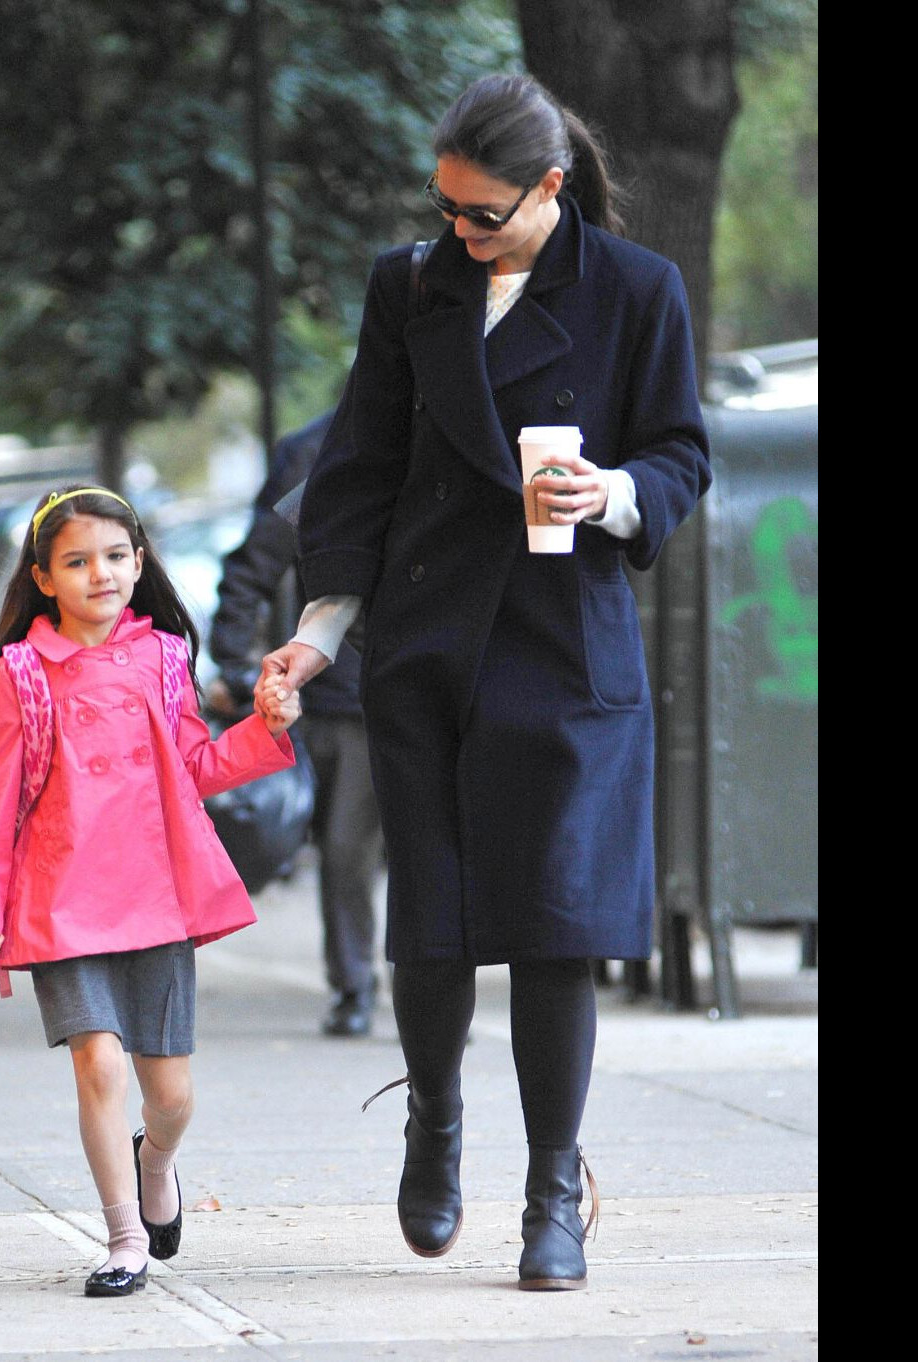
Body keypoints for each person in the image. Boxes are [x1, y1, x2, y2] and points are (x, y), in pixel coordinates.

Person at [255, 73, 711, 1291]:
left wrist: (609, 492)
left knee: (557, 930)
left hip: (566, 653)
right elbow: (361, 466)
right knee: (439, 930)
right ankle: (436, 1124)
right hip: (429, 654)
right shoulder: (411, 285)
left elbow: (681, 452)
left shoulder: (635, 291)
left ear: (550, 189)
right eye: (446, 209)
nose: (459, 233)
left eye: (484, 215)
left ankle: (553, 1192)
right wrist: (322, 628)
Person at [0, 485, 300, 1299]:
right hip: (57, 901)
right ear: (43, 578)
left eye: (115, 557)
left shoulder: (164, 657)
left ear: (140, 564)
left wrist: (264, 730)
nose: (99, 574)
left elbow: (198, 768)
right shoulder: (22, 674)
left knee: (171, 1095)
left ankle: (158, 1160)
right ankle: (121, 1240)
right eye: (76, 561)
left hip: (157, 899)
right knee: (98, 1064)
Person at [207, 410, 386, 1038]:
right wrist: (233, 663)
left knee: (424, 849)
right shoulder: (325, 456)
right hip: (342, 699)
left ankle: (435, 990)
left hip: (435, 695)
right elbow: (252, 565)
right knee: (345, 850)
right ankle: (355, 986)